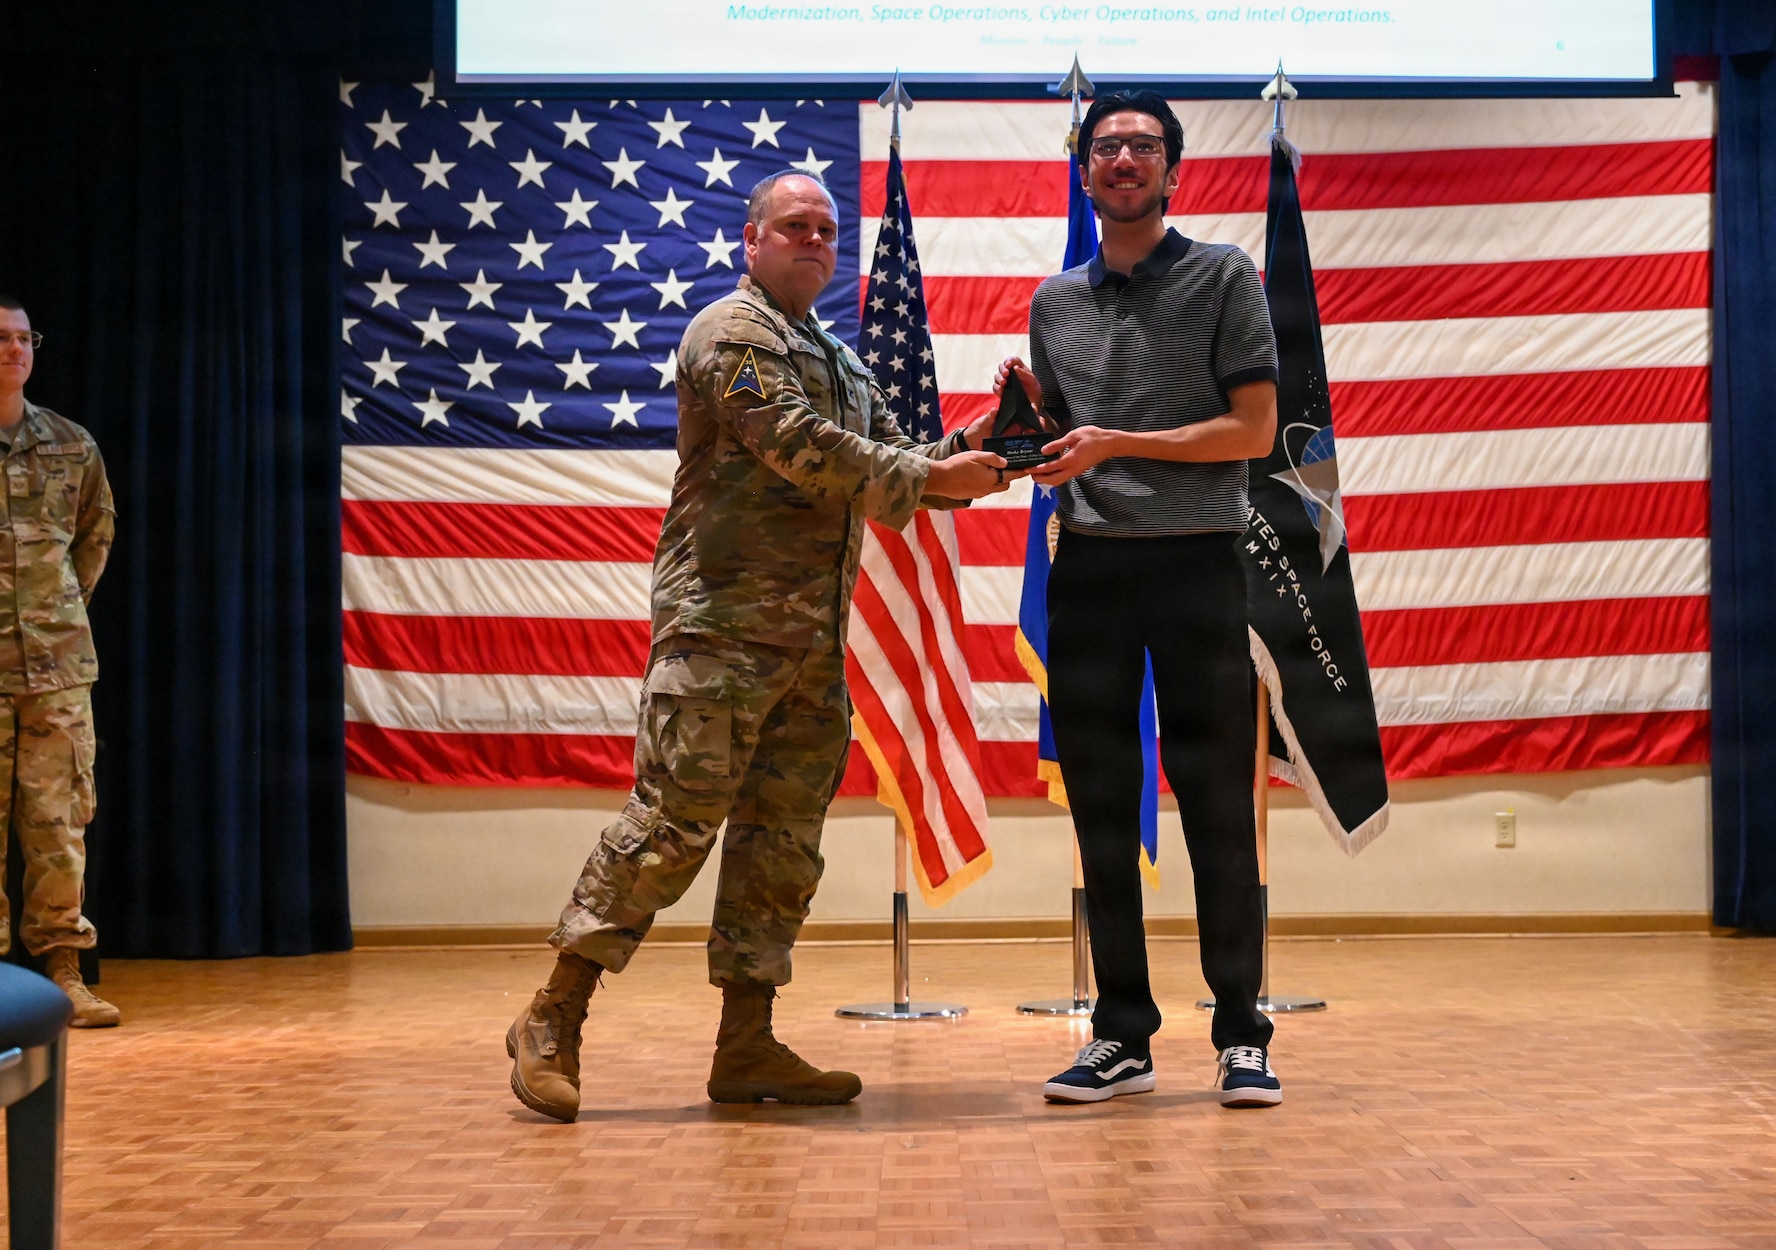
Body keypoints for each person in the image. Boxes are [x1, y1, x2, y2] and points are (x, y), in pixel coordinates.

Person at [507, 172, 1010, 1122]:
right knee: (670, 828)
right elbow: (800, 445)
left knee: (781, 844)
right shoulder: (730, 335)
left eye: (826, 229)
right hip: (719, 637)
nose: (814, 240)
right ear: (752, 240)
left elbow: (900, 456)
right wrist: (932, 472)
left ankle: (747, 1041)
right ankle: (551, 1015)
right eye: (793, 227)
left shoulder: (844, 361)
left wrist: (985, 445)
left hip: (811, 645)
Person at [1001, 91, 1284, 1108]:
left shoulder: (1222, 276)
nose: (1123, 158)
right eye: (1105, 145)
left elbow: (1250, 430)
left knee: (1213, 802)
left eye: (1143, 146)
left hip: (1199, 564)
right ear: (1083, 172)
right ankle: (1121, 1033)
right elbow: (1064, 442)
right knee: (1102, 809)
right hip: (1090, 573)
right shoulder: (1052, 302)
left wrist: (1117, 440)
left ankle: (1241, 1034)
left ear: (1173, 171)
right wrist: (1029, 428)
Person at [0, 295, 119, 1028]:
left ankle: (63, 969)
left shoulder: (71, 445)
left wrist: (52, 612)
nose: (13, 348)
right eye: (0, 338)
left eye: (22, 337)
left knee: (57, 824)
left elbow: (92, 540)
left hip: (55, 671)